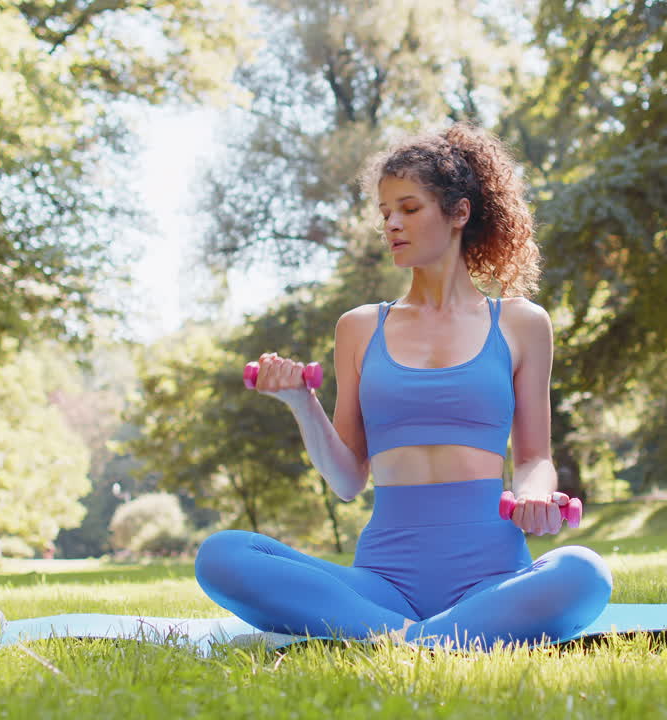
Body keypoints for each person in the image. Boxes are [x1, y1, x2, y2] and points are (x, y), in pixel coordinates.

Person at [195, 122, 612, 649]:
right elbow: (348, 480)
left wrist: (533, 495)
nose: (392, 223)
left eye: (409, 209)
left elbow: (535, 458)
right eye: (385, 212)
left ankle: (389, 640)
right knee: (223, 555)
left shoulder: (521, 323)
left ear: (459, 213)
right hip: (383, 584)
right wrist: (301, 401)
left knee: (584, 572)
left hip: (491, 579)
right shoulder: (359, 327)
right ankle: (429, 640)